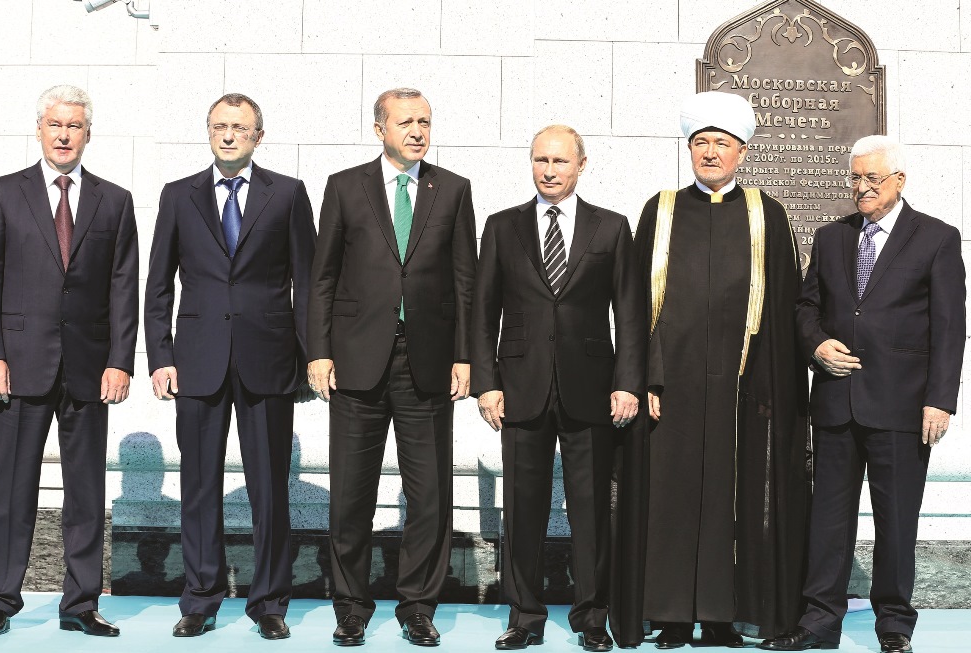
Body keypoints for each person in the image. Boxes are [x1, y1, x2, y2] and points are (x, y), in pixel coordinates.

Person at [612, 91, 811, 649]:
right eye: (700, 143)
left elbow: (781, 307)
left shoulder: (765, 214)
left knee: (731, 494)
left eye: (721, 144)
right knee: (672, 494)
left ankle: (723, 616)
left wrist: (772, 387)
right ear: (689, 149)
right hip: (670, 385)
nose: (710, 152)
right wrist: (645, 378)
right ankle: (673, 615)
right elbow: (636, 308)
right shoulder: (663, 208)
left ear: (741, 152)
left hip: (739, 387)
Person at [759, 136, 966, 653]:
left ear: (899, 180)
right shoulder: (831, 238)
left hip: (902, 406)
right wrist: (817, 344)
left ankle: (894, 623)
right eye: (855, 178)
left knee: (897, 519)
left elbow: (949, 326)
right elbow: (806, 308)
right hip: (834, 401)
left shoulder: (937, 239)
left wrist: (940, 400)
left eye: (873, 179)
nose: (862, 188)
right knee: (827, 518)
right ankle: (819, 621)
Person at [307, 87, 477, 647]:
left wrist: (465, 355)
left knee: (429, 494)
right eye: (406, 121)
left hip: (426, 363)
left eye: (425, 121)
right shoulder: (344, 186)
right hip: (356, 361)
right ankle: (351, 606)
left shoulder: (452, 190)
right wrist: (319, 350)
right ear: (379, 127)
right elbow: (323, 277)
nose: (418, 131)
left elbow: (465, 283)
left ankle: (418, 607)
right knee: (350, 493)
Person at [144, 93, 317, 639]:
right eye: (219, 126)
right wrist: (161, 357)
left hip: (268, 359)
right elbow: (158, 286)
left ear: (258, 137)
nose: (228, 136)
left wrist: (313, 358)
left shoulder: (287, 194)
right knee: (198, 484)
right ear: (208, 132)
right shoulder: (178, 196)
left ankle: (269, 602)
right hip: (196, 361)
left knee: (269, 486)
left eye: (239, 128)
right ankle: (199, 597)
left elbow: (308, 284)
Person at [0, 85, 138, 637]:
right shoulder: (2, 193)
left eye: (75, 126)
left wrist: (121, 360)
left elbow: (123, 287)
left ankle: (81, 604)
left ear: (88, 133)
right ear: (39, 129)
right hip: (16, 366)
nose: (64, 134)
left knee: (86, 490)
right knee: (9, 488)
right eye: (55, 125)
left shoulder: (114, 200)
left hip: (90, 369)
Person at [471, 125, 642, 652]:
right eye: (540, 160)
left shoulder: (611, 229)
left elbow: (631, 314)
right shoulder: (502, 227)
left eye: (560, 162)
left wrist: (628, 383)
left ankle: (592, 617)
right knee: (524, 509)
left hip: (590, 388)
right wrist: (486, 384)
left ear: (581, 165)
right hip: (519, 388)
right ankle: (525, 616)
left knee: (590, 510)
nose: (549, 170)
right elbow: (482, 313)